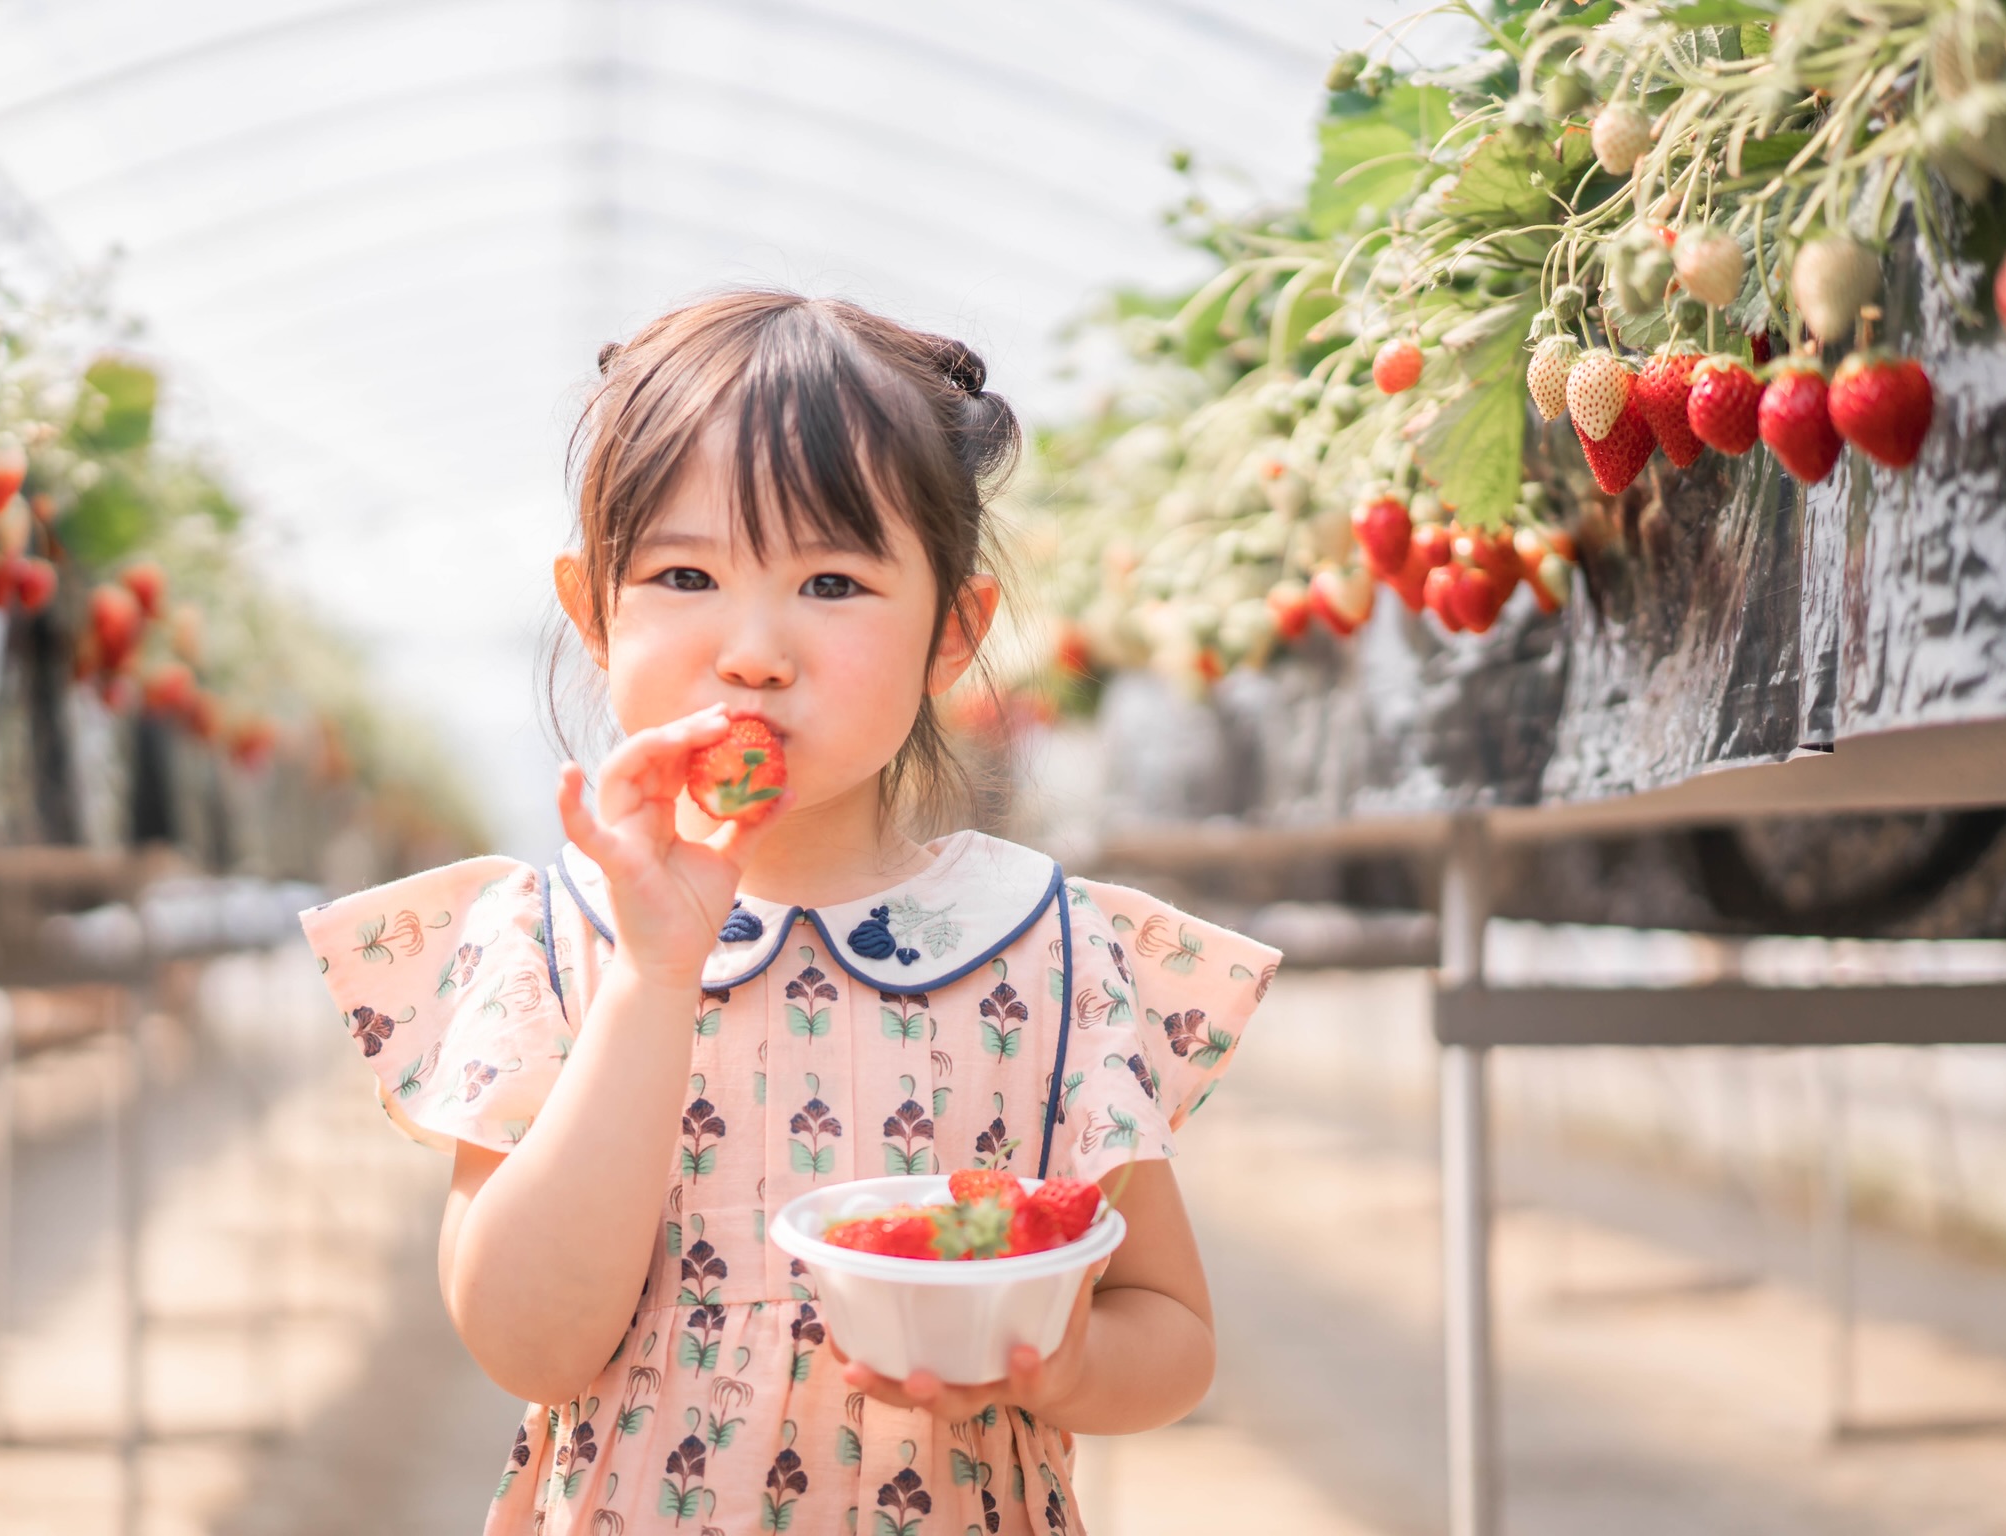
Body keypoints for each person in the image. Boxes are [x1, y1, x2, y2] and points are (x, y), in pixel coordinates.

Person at [300, 291, 1280, 1534]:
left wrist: (1065, 1369)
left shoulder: (1053, 951)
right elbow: (530, 1344)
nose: (755, 649)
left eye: (830, 580)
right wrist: (656, 977)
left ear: (953, 632)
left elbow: (1172, 1329)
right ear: (595, 612)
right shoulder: (557, 945)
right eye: (686, 574)